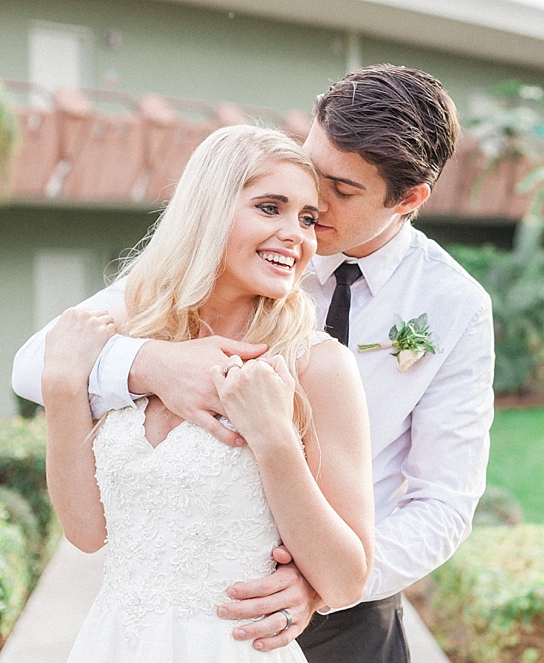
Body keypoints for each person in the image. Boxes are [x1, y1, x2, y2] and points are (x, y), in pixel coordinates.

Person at [13, 64, 494, 662]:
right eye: (301, 180)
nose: (306, 213)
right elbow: (39, 362)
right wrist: (155, 365)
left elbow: (443, 500)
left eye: (333, 197)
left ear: (410, 200)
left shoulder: (452, 306)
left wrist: (318, 586)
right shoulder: (199, 275)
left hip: (350, 614)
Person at [37, 125, 376, 662]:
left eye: (307, 218)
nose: (298, 235)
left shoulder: (317, 365)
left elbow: (344, 582)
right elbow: (86, 533)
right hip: (117, 643)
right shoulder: (135, 344)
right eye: (271, 208)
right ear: (208, 210)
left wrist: (273, 438)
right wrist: (61, 388)